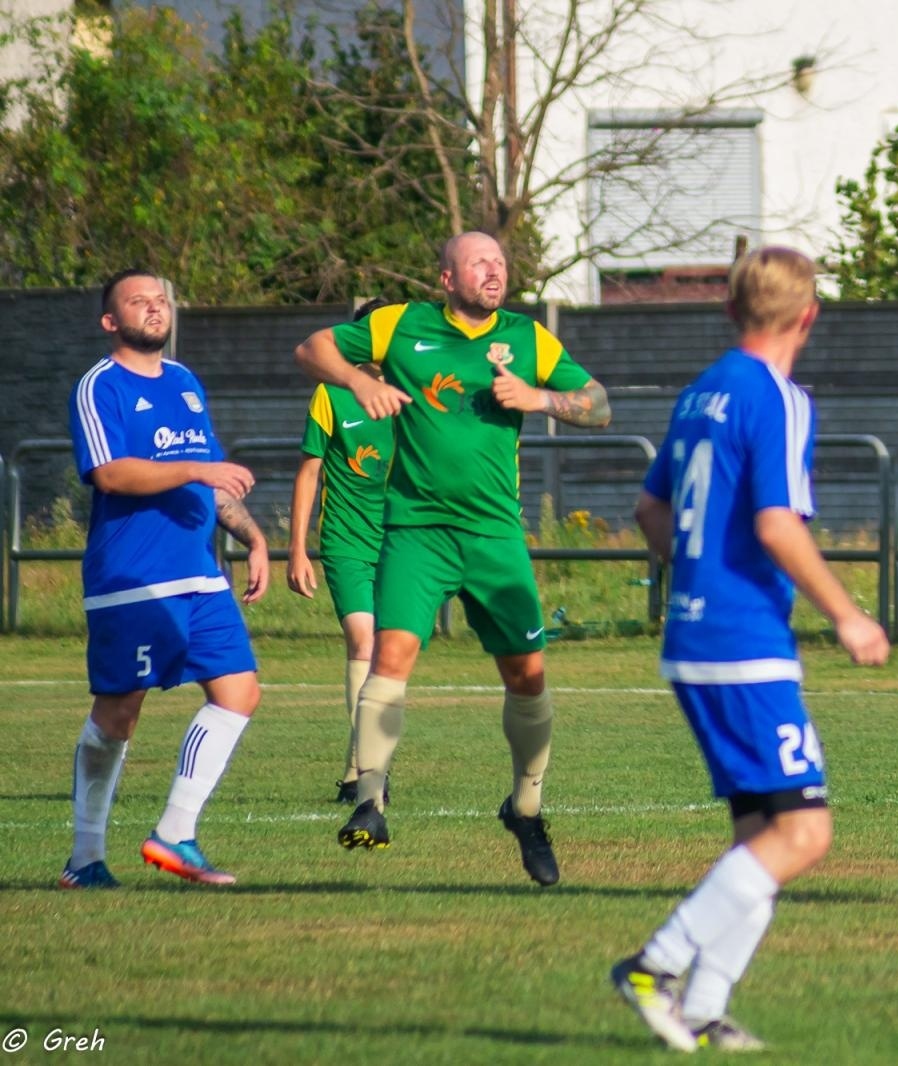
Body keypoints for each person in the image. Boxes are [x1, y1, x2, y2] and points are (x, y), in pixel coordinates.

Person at [611, 246, 889, 1052]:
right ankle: (655, 964)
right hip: (745, 643)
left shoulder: (701, 392)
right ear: (809, 316)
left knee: (759, 838)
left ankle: (702, 1007)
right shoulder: (779, 397)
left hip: (692, 636)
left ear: (731, 311)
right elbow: (776, 524)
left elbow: (648, 510)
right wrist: (848, 615)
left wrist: (696, 568)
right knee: (806, 832)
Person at [292, 231, 611, 885]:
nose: (494, 272)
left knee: (528, 678)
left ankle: (525, 807)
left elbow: (600, 405)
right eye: (478, 263)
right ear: (445, 278)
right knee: (390, 655)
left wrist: (541, 399)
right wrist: (357, 380)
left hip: (495, 536)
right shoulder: (400, 325)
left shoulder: (528, 337)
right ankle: (369, 802)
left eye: (500, 261)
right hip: (417, 531)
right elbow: (312, 348)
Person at [61, 268, 270, 888]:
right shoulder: (100, 386)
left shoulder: (183, 382)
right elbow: (110, 474)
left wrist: (254, 537)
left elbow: (210, 478)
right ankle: (84, 858)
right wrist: (194, 472)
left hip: (199, 575)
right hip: (133, 577)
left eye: (160, 300)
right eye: (138, 302)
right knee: (120, 713)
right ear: (110, 320)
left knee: (239, 692)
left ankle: (174, 834)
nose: (154, 309)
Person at [287, 299, 396, 804]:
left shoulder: (416, 397)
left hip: (400, 541)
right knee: (363, 644)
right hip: (347, 540)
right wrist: (297, 550)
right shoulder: (331, 393)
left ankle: (357, 769)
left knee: (389, 656)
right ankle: (371, 771)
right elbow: (309, 471)